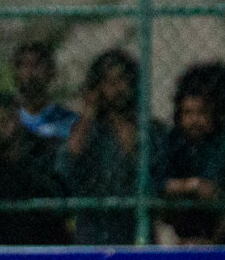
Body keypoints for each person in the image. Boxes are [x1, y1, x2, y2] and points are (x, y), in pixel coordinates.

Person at [59, 48, 167, 245]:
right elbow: (68, 163)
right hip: (94, 227)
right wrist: (89, 110)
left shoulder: (151, 129)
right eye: (108, 82)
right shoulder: (87, 129)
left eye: (121, 80)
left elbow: (156, 176)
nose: (116, 88)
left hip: (134, 227)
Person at [160, 61, 225, 244]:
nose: (194, 120)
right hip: (178, 234)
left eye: (202, 113)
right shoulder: (172, 141)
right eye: (188, 113)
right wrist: (190, 185)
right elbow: (156, 184)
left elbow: (218, 188)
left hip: (219, 233)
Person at [0, 93, 68, 245]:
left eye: (3, 122)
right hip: (5, 244)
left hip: (46, 240)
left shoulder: (41, 148)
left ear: (15, 119)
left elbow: (46, 191)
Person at [13, 40, 79, 141]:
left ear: (51, 71)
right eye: (25, 65)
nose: (31, 72)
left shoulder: (68, 120)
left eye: (37, 65)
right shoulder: (9, 119)